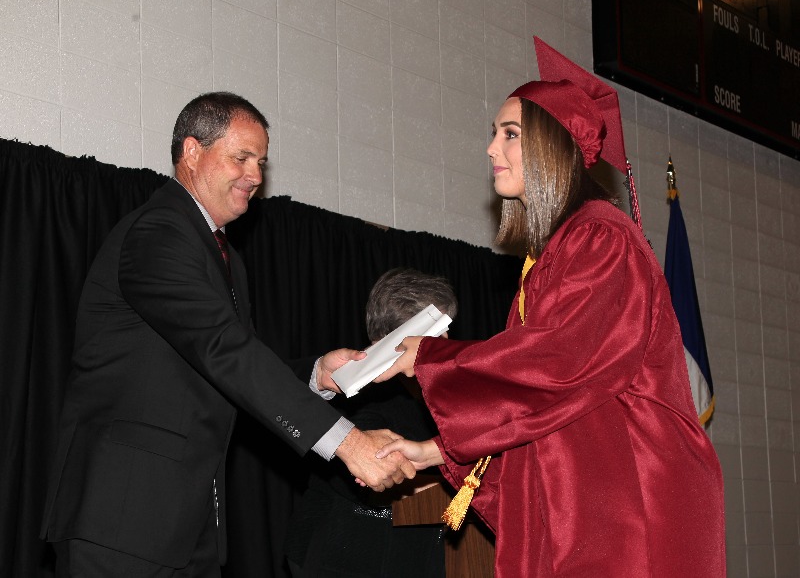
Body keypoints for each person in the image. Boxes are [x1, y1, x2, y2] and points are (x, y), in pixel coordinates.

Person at [373, 37, 727, 576]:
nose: (492, 149)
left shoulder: (603, 239)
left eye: (510, 134)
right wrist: (436, 453)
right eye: (493, 134)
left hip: (631, 505)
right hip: (585, 504)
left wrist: (430, 357)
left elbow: (559, 364)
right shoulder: (549, 257)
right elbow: (537, 409)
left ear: (555, 145)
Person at [40, 92, 415, 577]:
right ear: (192, 152)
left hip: (185, 524)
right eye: (241, 157)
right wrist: (347, 442)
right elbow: (222, 348)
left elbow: (236, 361)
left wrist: (318, 373)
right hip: (123, 519)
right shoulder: (159, 231)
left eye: (261, 161)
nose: (257, 176)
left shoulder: (224, 256)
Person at [285, 268, 456, 578]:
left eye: (448, 330)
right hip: (343, 553)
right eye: (437, 332)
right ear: (394, 338)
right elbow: (368, 476)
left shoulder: (450, 394)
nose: (447, 342)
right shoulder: (355, 387)